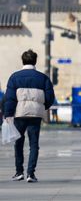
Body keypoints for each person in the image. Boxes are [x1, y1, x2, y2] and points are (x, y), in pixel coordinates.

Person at [3, 49, 55, 183]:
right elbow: (50, 97)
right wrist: (42, 108)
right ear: (35, 61)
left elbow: (9, 98)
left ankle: (19, 172)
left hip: (19, 114)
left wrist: (8, 114)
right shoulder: (43, 78)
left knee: (18, 143)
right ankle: (31, 173)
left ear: (23, 60)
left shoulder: (14, 77)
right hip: (35, 115)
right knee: (34, 144)